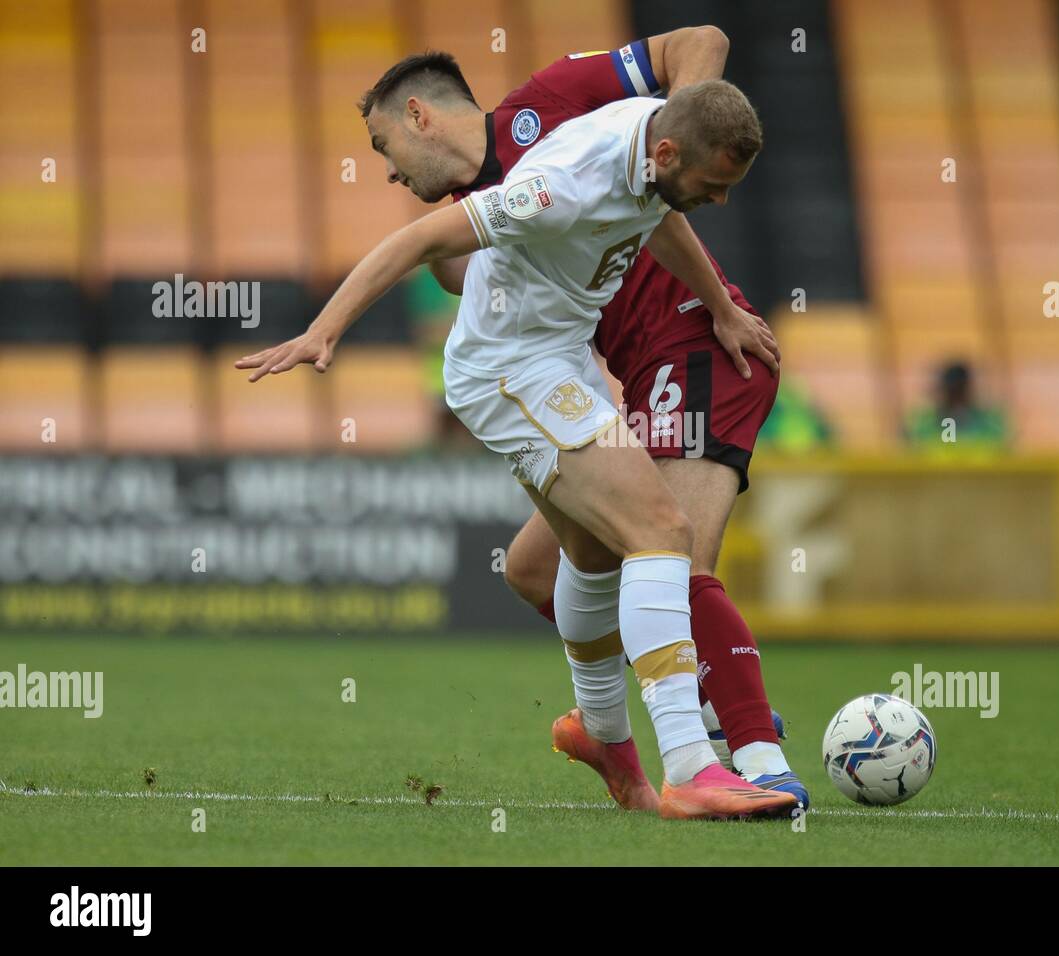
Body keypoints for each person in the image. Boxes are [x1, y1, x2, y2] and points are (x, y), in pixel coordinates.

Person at [236, 68, 794, 820]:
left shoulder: (648, 148)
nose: (720, 199)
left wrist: (721, 305)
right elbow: (419, 238)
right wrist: (322, 329)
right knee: (661, 532)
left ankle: (605, 738)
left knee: (593, 553)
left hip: (557, 355)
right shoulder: (563, 182)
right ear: (664, 152)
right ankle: (693, 764)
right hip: (511, 368)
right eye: (712, 183)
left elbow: (659, 214)